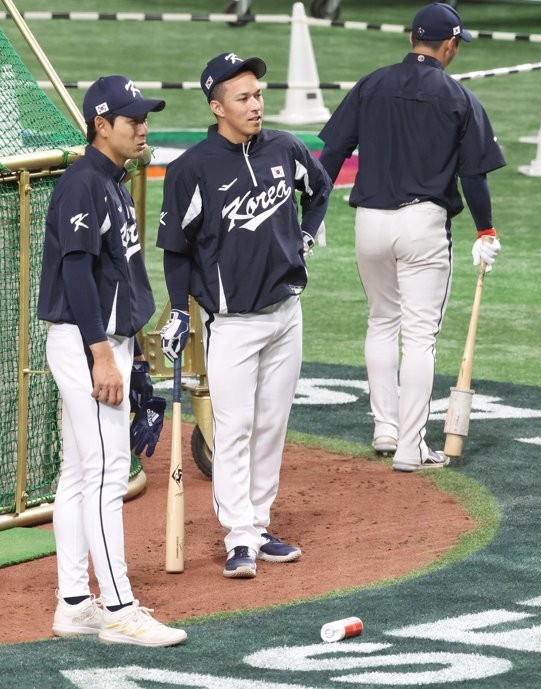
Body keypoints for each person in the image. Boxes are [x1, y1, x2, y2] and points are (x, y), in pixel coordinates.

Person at [157, 52, 333, 578]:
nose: (256, 105)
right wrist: (180, 311)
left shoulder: (284, 147)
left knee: (272, 426)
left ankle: (258, 524)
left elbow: (318, 190)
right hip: (231, 323)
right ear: (217, 107)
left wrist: (303, 237)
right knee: (234, 428)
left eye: (258, 94)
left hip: (286, 313)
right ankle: (239, 538)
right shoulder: (193, 169)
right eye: (243, 98)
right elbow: (176, 247)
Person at [317, 2, 505, 472]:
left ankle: (385, 428)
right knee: (419, 336)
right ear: (451, 45)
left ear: (410, 39)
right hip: (422, 225)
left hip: (369, 224)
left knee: (381, 322)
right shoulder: (458, 96)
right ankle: (410, 447)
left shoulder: (371, 83)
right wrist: (485, 229)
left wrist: (313, 210)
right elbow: (474, 177)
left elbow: (333, 151)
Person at [37, 76, 186, 647]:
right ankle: (121, 610)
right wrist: (102, 353)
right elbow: (75, 271)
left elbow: (114, 273)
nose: (143, 126)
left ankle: (75, 603)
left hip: (100, 341)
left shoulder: (112, 180)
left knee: (79, 475)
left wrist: (130, 347)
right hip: (85, 343)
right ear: (102, 125)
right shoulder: (82, 184)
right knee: (104, 476)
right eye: (133, 120)